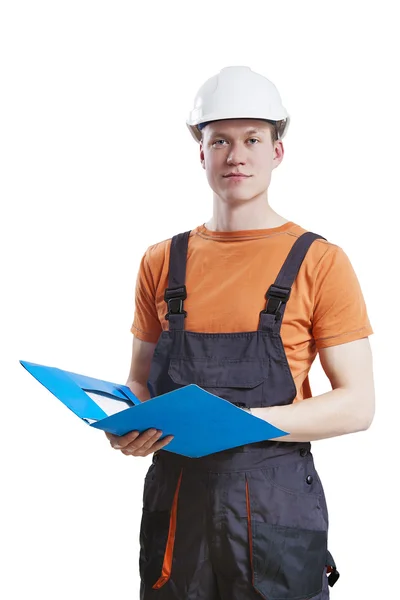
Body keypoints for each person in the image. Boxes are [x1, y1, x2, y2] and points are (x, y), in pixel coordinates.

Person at [106, 66, 375, 599]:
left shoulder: (320, 262)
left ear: (277, 151)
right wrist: (123, 425)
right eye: (220, 140)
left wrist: (244, 423)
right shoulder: (161, 261)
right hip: (177, 507)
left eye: (253, 139)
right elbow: (139, 382)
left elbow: (357, 405)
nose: (236, 155)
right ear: (200, 153)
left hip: (275, 510)